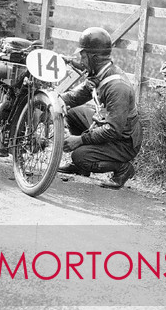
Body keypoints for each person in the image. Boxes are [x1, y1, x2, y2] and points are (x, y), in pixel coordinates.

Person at [57, 27, 142, 189]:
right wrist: (56, 100)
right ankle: (83, 169)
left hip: (123, 141)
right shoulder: (100, 73)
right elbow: (77, 97)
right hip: (107, 126)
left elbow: (113, 130)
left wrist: (80, 140)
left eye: (83, 56)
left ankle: (123, 168)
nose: (80, 61)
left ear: (93, 57)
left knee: (79, 156)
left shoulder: (117, 87)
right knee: (74, 113)